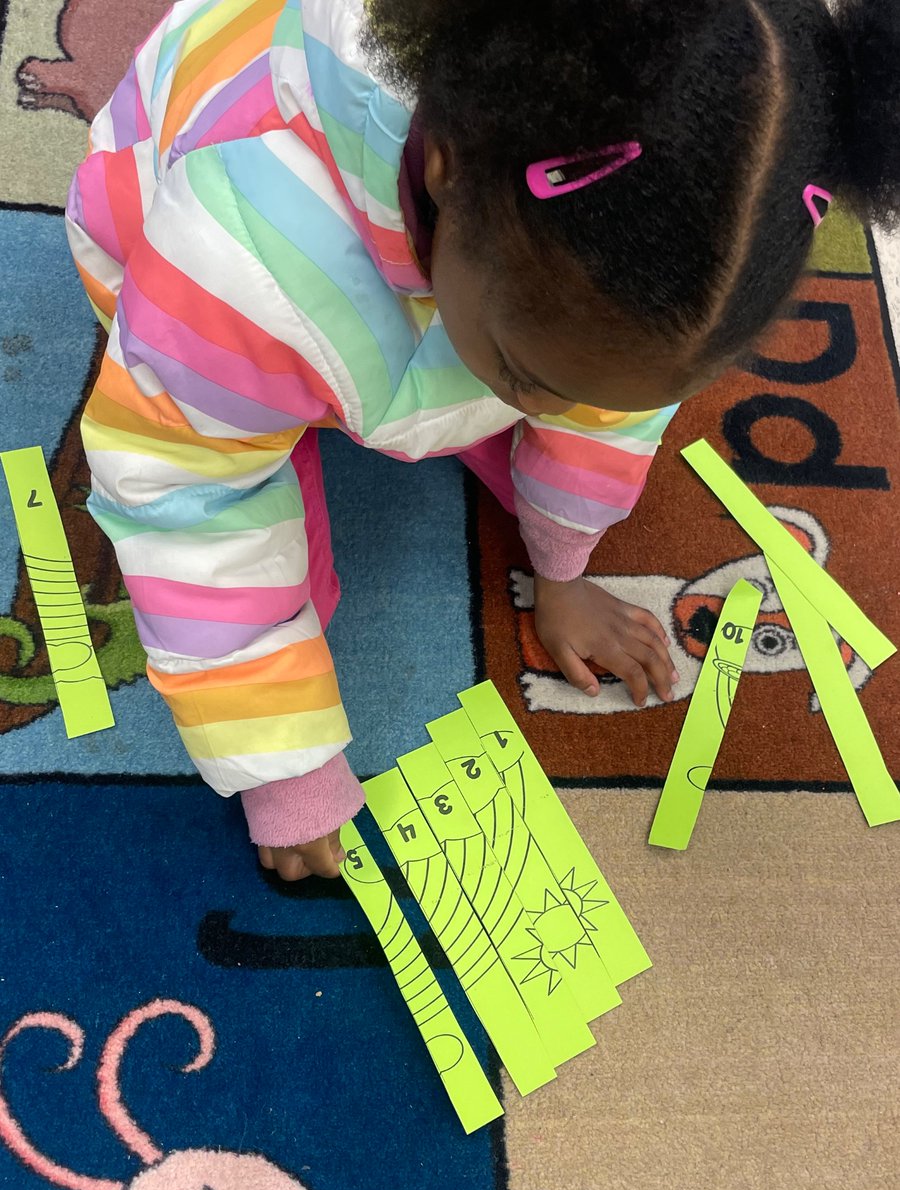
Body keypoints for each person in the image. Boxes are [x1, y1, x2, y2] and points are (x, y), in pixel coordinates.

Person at [66, 0, 900, 881]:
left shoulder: (636, 260)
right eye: (529, 378)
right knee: (242, 516)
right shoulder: (240, 250)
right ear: (441, 169)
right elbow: (187, 502)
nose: (565, 407)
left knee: (577, 398)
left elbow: (602, 407)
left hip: (441, 283)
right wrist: (284, 767)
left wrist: (562, 567)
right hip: (184, 265)